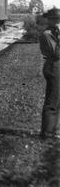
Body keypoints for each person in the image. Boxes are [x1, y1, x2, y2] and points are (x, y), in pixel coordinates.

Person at [40, 8, 60, 139]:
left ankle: (52, 130)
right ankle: (47, 133)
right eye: (56, 20)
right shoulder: (47, 34)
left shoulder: (55, 33)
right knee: (52, 100)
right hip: (54, 66)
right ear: (50, 20)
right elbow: (56, 53)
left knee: (57, 99)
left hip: (57, 65)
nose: (58, 22)